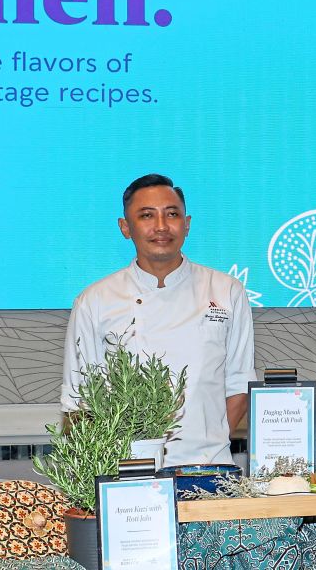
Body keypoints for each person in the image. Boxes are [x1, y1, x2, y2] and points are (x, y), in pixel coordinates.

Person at [61, 174, 255, 466]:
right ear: (125, 228)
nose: (161, 226)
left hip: (209, 466)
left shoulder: (226, 291)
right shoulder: (94, 301)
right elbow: (80, 400)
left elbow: (240, 385)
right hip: (127, 469)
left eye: (172, 214)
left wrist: (207, 446)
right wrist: (113, 462)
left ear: (187, 224)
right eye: (147, 215)